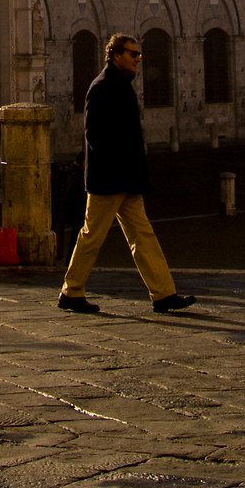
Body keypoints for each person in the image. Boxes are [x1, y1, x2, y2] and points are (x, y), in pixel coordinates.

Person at [58, 33, 195, 314]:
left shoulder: (120, 85)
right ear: (116, 54)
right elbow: (94, 134)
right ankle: (71, 292)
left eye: (139, 55)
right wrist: (118, 166)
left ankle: (164, 293)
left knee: (143, 235)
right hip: (109, 179)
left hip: (126, 179)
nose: (137, 60)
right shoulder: (102, 87)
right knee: (92, 235)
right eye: (133, 54)